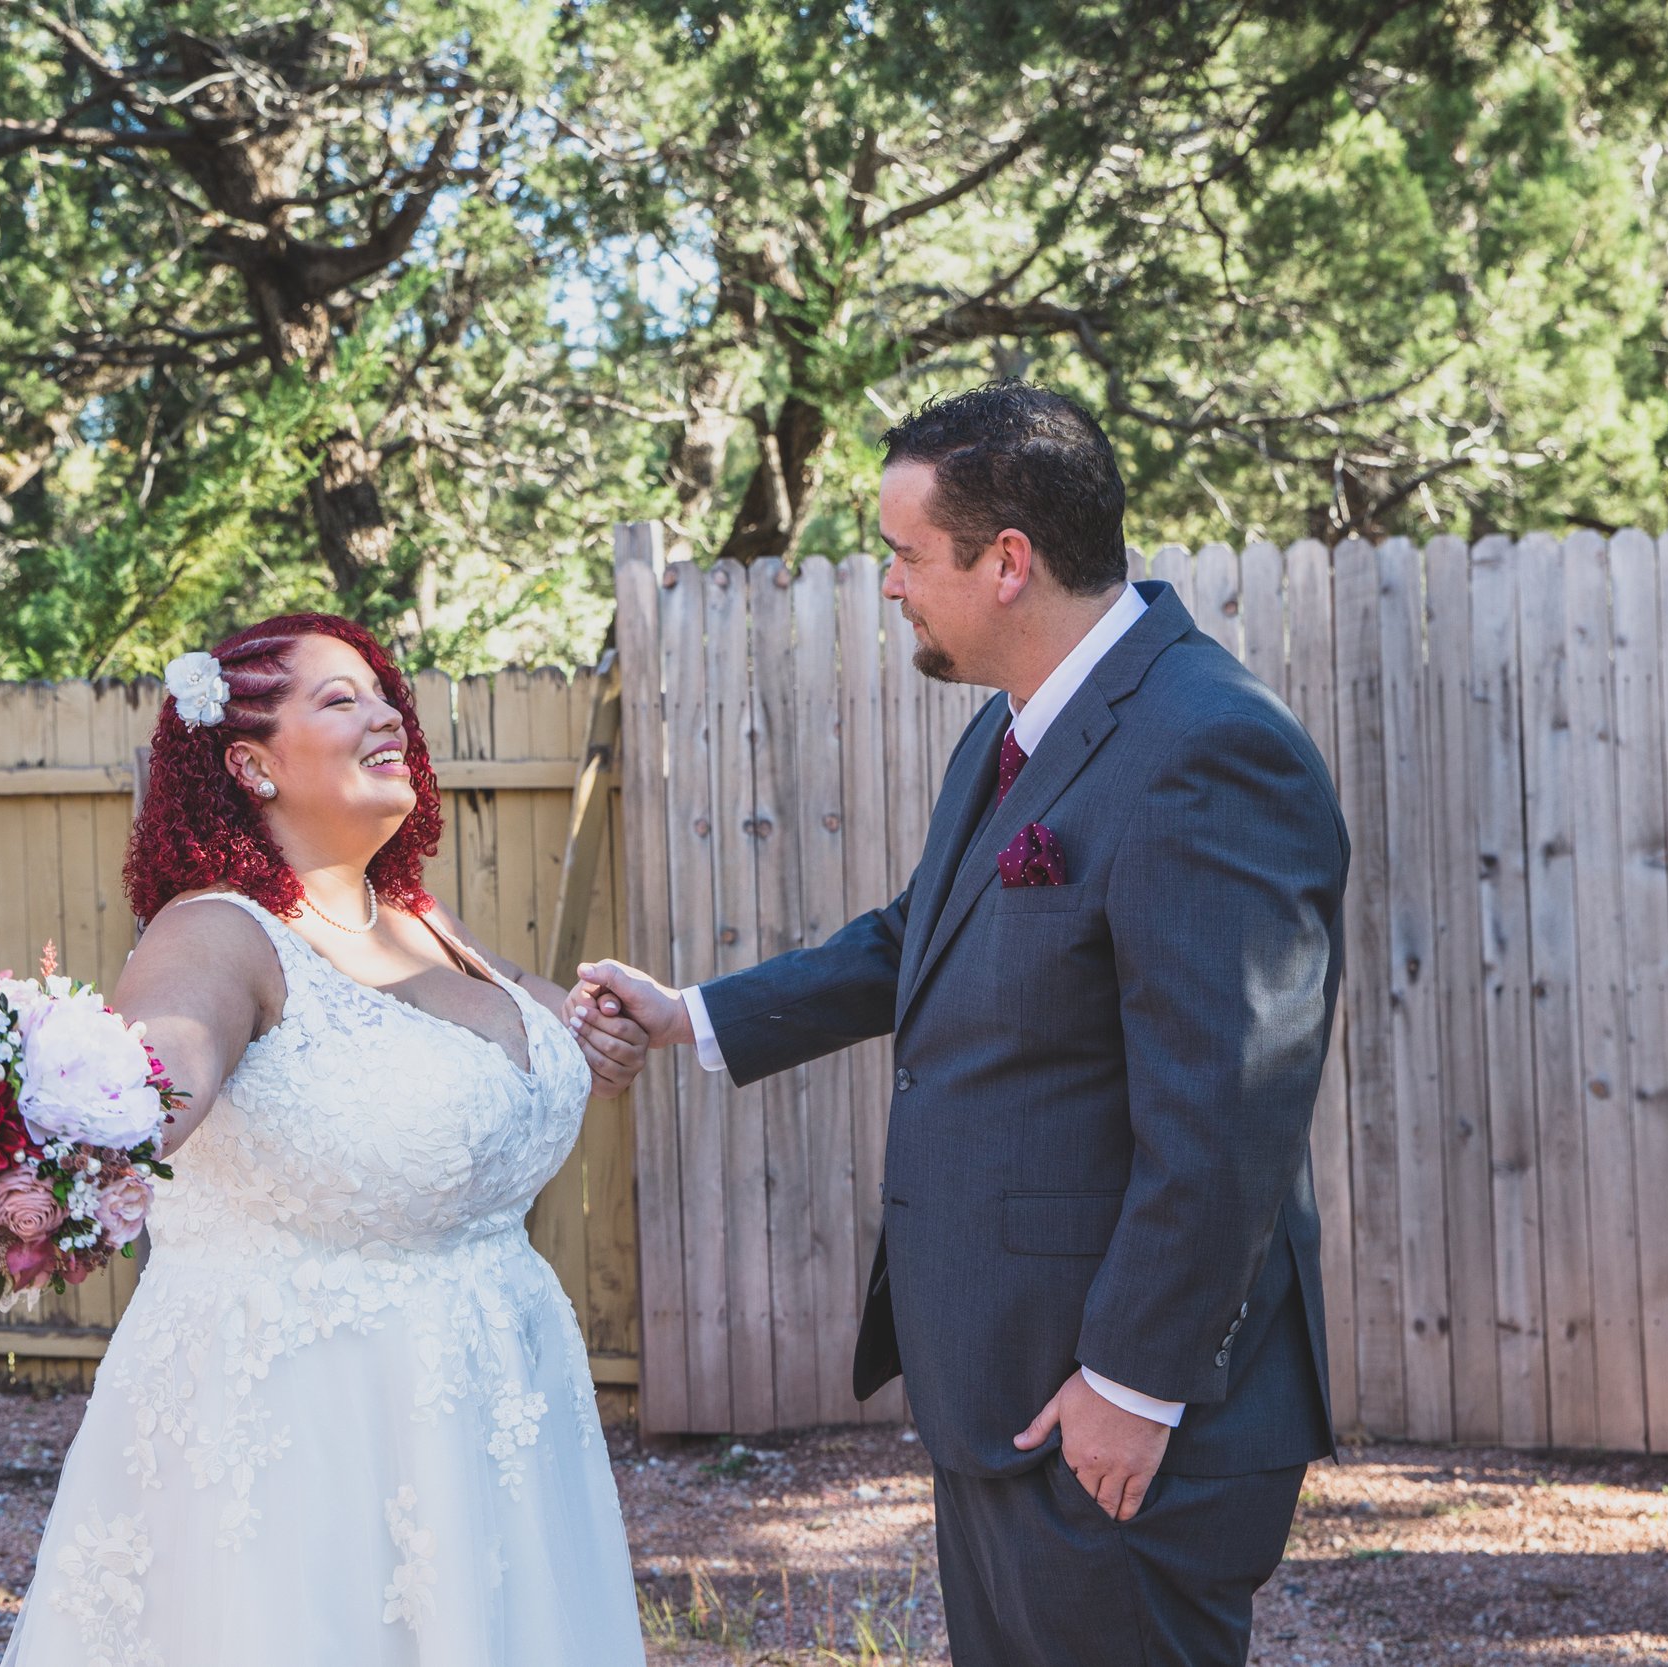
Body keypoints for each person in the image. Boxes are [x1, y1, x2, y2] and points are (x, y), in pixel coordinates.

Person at [573, 383, 1344, 1665]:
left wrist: (1133, 1382)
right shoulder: (1014, 729)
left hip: (1110, 1410)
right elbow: (915, 936)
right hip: (1007, 1383)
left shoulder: (1205, 748)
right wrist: (691, 1016)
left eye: (902, 552)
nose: (886, 584)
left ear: (1007, 562)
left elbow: (1232, 1104)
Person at [2, 613, 650, 1666]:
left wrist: (612, 1030)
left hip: (495, 1400)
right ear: (250, 762)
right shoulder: (213, 932)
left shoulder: (418, 920)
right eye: (341, 698)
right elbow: (165, 1064)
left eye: (385, 693)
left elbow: (553, 1036)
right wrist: (95, 1134)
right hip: (311, 1431)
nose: (388, 712)